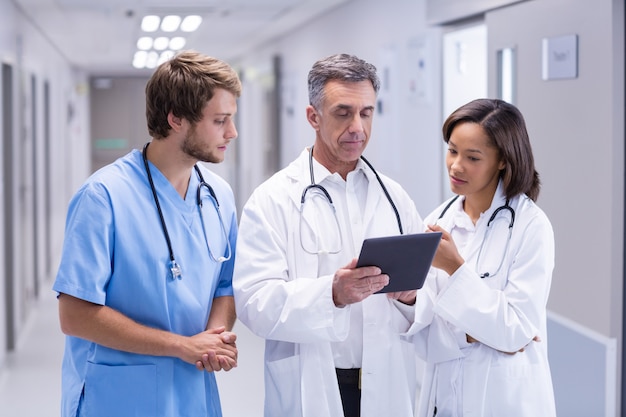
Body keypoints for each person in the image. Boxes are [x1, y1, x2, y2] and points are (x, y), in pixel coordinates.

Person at [53, 50, 242, 417]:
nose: (232, 133)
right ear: (176, 120)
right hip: (119, 396)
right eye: (220, 121)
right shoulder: (103, 197)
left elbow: (225, 285)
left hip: (191, 389)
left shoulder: (219, 197)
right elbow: (74, 314)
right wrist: (180, 345)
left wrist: (212, 342)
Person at [233, 53, 423, 417]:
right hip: (312, 386)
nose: (357, 126)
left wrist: (412, 298)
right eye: (343, 112)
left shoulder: (393, 198)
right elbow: (254, 303)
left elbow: (424, 292)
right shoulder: (273, 199)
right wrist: (331, 294)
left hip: (383, 385)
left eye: (366, 113)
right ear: (313, 117)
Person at [411, 98, 557, 416]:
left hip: (505, 399)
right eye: (452, 151)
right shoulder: (438, 221)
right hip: (443, 396)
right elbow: (422, 329)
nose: (456, 165)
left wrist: (455, 268)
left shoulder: (531, 226)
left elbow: (514, 328)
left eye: (472, 157)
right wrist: (476, 330)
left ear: (502, 160)